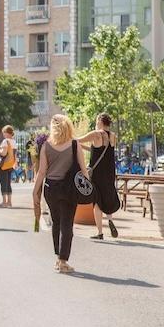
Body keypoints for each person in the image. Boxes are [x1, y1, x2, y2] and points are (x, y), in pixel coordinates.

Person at [33, 115, 88, 273]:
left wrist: (35, 191)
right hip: (69, 188)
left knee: (56, 222)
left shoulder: (46, 146)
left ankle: (58, 258)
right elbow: (83, 169)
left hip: (50, 188)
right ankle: (63, 261)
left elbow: (42, 171)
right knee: (67, 224)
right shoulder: (74, 144)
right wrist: (89, 187)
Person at [78, 113, 121, 239]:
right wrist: (83, 147)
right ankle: (110, 219)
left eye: (97, 121)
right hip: (109, 172)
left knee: (97, 201)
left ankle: (100, 232)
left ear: (101, 122)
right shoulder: (113, 136)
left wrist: (73, 140)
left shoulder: (96, 134)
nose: (96, 123)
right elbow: (98, 151)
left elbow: (77, 140)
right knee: (106, 196)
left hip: (97, 173)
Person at [0, 125, 17, 208]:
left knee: (3, 183)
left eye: (4, 132)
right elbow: (15, 154)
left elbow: (3, 153)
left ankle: (4, 202)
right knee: (8, 183)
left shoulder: (5, 141)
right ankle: (9, 202)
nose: (3, 134)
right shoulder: (14, 141)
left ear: (7, 133)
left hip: (3, 165)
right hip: (10, 164)